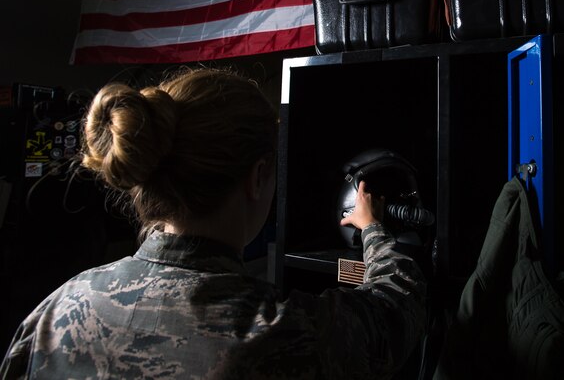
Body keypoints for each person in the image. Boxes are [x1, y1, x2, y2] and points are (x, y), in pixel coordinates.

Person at [0, 67, 426, 379]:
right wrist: (373, 229)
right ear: (258, 177)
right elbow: (397, 308)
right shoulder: (283, 336)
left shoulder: (55, 312)